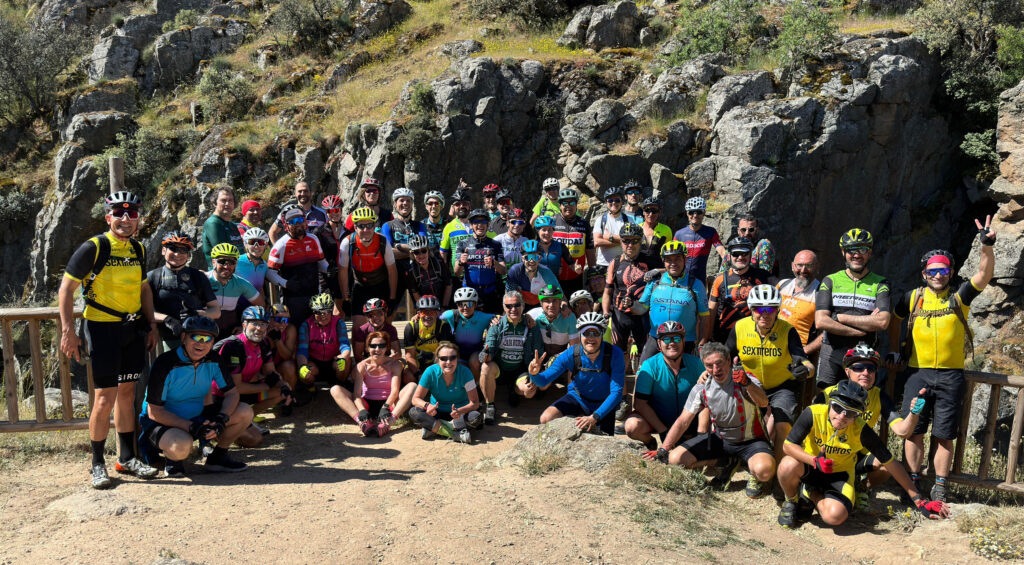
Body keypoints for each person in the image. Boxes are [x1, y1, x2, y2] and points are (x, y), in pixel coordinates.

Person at [887, 217, 996, 502]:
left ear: (951, 273)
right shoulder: (912, 298)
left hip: (950, 375)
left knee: (945, 434)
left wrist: (987, 245)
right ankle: (912, 483)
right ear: (924, 273)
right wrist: (895, 350)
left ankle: (940, 487)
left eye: (943, 270)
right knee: (914, 432)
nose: (938, 275)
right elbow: (894, 320)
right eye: (933, 271)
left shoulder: (960, 297)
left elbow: (983, 276)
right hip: (917, 373)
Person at [59, 191, 160, 488]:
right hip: (101, 328)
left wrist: (152, 325)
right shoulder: (94, 247)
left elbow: (144, 289)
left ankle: (127, 458)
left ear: (138, 219)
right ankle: (97, 464)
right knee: (104, 397)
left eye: (131, 214)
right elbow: (66, 289)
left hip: (133, 329)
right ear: (108, 217)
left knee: (127, 394)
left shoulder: (138, 249)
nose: (125, 219)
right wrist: (67, 331)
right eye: (118, 213)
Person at [777, 380, 950, 529]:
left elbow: (890, 462)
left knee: (835, 517)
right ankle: (791, 501)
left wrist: (919, 500)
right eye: (837, 408)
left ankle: (811, 493)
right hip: (812, 467)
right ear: (830, 403)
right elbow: (788, 446)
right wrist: (814, 461)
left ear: (857, 416)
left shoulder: (861, 429)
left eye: (850, 413)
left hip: (840, 475)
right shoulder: (813, 413)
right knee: (787, 464)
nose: (842, 416)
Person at [643, 341, 775, 498]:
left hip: (751, 440)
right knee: (675, 459)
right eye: (709, 365)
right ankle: (727, 462)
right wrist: (664, 448)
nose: (716, 369)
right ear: (704, 366)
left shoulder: (744, 378)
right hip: (721, 440)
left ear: (728, 360)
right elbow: (683, 420)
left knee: (764, 471)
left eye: (719, 363)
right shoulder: (701, 387)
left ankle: (753, 472)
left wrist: (747, 384)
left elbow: (763, 402)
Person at [138, 316, 253, 476]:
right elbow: (154, 412)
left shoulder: (214, 360)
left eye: (207, 339)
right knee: (181, 446)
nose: (201, 343)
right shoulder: (165, 363)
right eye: (196, 337)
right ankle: (173, 462)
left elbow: (232, 393)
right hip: (161, 421)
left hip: (196, 417)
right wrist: (190, 427)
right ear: (183, 337)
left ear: (213, 342)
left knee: (245, 411)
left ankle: (217, 458)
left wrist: (221, 418)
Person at [817, 344, 924, 502]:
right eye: (858, 368)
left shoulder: (879, 397)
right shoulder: (828, 394)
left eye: (871, 369)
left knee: (886, 465)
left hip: (856, 456)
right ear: (847, 371)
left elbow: (902, 431)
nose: (865, 373)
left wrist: (914, 413)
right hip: (829, 455)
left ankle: (861, 487)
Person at [725, 285, 814, 466]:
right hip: (750, 384)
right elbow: (724, 355)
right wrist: (708, 372)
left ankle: (779, 473)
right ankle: (742, 461)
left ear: (778, 310)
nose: (764, 314)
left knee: (783, 425)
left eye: (770, 309)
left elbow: (805, 362)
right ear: (751, 310)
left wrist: (806, 371)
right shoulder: (740, 327)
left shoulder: (787, 330)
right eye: (759, 309)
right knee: (739, 421)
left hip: (782, 386)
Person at [520, 312, 624, 435]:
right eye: (586, 333)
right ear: (580, 335)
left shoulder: (614, 354)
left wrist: (595, 417)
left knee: (604, 442)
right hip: (577, 399)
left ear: (602, 334)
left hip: (604, 403)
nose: (591, 338)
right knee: (546, 418)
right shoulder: (571, 354)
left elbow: (617, 392)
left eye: (595, 333)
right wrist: (534, 374)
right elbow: (543, 381)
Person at [814, 228, 891, 389]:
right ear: (843, 252)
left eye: (862, 250)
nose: (856, 255)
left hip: (864, 354)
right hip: (832, 351)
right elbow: (821, 321)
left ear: (869, 252)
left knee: (861, 398)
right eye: (851, 250)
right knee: (825, 397)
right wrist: (861, 329)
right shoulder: (830, 280)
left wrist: (840, 318)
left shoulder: (881, 283)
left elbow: (883, 322)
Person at [212, 306, 294, 444]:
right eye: (254, 323)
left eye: (263, 324)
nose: (259, 328)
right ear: (244, 324)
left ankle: (248, 420)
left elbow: (270, 372)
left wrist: (284, 386)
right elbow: (237, 387)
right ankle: (216, 432)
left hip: (240, 394)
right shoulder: (233, 346)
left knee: (281, 390)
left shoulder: (264, 343)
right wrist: (267, 385)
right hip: (221, 398)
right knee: (254, 440)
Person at [625, 321, 704, 449]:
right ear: (659, 344)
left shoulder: (696, 363)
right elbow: (640, 404)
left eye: (677, 338)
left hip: (688, 420)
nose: (672, 343)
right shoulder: (650, 365)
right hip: (659, 421)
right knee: (632, 426)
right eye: (666, 339)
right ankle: (650, 442)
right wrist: (663, 431)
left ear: (683, 341)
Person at [635, 241, 708, 360]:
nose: (673, 263)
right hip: (656, 338)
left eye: (677, 259)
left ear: (685, 260)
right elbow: (642, 308)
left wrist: (701, 343)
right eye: (669, 260)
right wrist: (630, 304)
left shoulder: (696, 284)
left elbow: (704, 317)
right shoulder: (654, 282)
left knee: (685, 372)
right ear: (663, 261)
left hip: (686, 340)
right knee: (643, 369)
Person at [148, 231, 220, 350]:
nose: (177, 254)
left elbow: (216, 311)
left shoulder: (198, 276)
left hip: (196, 337)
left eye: (183, 250)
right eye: (173, 248)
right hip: (165, 338)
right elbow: (144, 311)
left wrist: (197, 313)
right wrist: (166, 319)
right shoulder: (152, 277)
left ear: (188, 255)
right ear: (163, 250)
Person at [480, 291, 544, 421]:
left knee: (529, 392)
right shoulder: (496, 325)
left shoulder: (531, 325)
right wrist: (485, 355)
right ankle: (490, 406)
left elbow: (539, 351)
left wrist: (536, 364)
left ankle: (514, 390)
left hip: (520, 370)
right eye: (509, 306)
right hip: (500, 369)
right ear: (503, 307)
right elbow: (489, 349)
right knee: (486, 367)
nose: (513, 309)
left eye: (517, 305)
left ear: (523, 306)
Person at [330, 331, 408, 437]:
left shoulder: (395, 364)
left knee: (412, 386)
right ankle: (362, 422)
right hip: (367, 403)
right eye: (373, 346)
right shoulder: (362, 366)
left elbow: (395, 391)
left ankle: (388, 423)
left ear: (387, 348)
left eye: (381, 346)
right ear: (367, 348)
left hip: (388, 404)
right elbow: (357, 394)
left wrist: (385, 407)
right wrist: (362, 410)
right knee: (335, 389)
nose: (377, 349)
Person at [405, 341, 483, 443]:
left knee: (475, 417)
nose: (448, 362)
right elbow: (415, 399)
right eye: (444, 358)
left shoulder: (465, 372)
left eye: (452, 358)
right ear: (437, 359)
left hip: (459, 414)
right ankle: (454, 433)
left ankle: (434, 428)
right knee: (414, 411)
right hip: (436, 413)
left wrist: (460, 411)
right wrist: (427, 406)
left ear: (457, 358)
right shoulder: (430, 372)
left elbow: (475, 403)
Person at [267, 208, 328, 327]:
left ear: (306, 221)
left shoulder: (314, 239)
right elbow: (270, 273)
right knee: (296, 330)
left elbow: (321, 262)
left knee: (315, 329)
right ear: (286, 225)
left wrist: (329, 269)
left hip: (314, 294)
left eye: (300, 219)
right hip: (293, 298)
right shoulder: (281, 244)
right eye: (293, 221)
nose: (298, 224)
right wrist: (286, 283)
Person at [707, 236, 775, 343]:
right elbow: (711, 310)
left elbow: (782, 291)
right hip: (725, 337)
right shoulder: (720, 279)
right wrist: (707, 337)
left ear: (750, 255)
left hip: (754, 336)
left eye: (744, 253)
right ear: (729, 255)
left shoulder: (764, 276)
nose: (740, 257)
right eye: (736, 254)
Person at [338, 206, 398, 325]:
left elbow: (392, 271)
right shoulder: (348, 242)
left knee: (382, 326)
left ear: (374, 226)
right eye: (361, 226)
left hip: (381, 285)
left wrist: (392, 298)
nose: (366, 229)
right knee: (358, 328)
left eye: (369, 225)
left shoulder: (382, 241)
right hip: (360, 286)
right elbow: (342, 271)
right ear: (355, 227)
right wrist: (345, 299)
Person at [603, 223, 650, 366]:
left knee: (644, 359)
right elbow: (607, 291)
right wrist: (605, 312)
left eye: (634, 241)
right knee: (618, 358)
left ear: (641, 241)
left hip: (642, 317)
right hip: (619, 316)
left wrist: (657, 271)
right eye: (626, 241)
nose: (630, 245)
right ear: (621, 242)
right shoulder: (616, 262)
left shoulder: (650, 260)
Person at [296, 293, 353, 398]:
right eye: (318, 312)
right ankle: (310, 388)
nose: (323, 315)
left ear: (331, 311)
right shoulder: (306, 325)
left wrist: (343, 357)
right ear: (313, 312)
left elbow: (345, 345)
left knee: (347, 361)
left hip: (333, 361)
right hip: (315, 363)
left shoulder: (338, 322)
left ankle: (340, 385)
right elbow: (302, 350)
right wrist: (302, 366)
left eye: (327, 311)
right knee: (303, 368)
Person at [454, 208, 507, 314]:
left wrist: (494, 263)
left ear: (488, 224)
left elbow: (503, 271)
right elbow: (457, 272)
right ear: (471, 225)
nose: (480, 225)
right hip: (469, 294)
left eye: (483, 221)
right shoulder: (462, 244)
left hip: (490, 293)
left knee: (492, 322)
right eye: (476, 222)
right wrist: (461, 262)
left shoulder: (495, 244)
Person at [207, 243, 264, 338]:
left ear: (236, 264)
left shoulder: (241, 283)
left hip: (230, 331)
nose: (226, 266)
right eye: (222, 261)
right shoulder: (204, 279)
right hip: (205, 331)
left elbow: (261, 305)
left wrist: (244, 326)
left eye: (231, 262)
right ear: (213, 262)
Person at [440, 287, 496, 374]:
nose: (465, 307)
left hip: (476, 354)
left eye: (469, 303)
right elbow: (433, 318)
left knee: (474, 361)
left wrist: (497, 319)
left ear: (475, 304)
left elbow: (502, 317)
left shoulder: (482, 317)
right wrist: (418, 317)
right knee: (458, 367)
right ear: (457, 305)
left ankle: (475, 382)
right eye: (461, 304)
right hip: (459, 353)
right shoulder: (451, 315)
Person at [777, 250, 822, 357]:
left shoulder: (821, 292)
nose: (803, 270)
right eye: (799, 265)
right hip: (774, 349)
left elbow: (827, 333)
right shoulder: (782, 285)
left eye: (809, 266)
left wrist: (804, 351)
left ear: (817, 267)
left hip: (799, 354)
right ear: (793, 266)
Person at [673, 196, 726, 286]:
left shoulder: (710, 232)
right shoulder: (679, 234)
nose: (695, 215)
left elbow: (722, 251)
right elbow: (673, 257)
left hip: (700, 280)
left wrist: (726, 264)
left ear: (704, 213)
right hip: (680, 279)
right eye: (691, 212)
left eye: (699, 212)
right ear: (687, 213)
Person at [552, 187, 594, 295]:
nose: (568, 206)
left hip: (576, 276)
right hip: (554, 276)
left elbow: (589, 251)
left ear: (576, 205)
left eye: (572, 203)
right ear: (560, 205)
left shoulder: (584, 224)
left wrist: (592, 274)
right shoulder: (552, 221)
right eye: (565, 203)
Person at [403, 295, 455, 381]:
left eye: (431, 312)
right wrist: (418, 374)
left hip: (437, 361)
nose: (428, 316)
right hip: (417, 363)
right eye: (424, 312)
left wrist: (434, 368)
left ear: (437, 313)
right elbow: (409, 356)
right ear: (418, 313)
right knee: (407, 375)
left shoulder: (443, 326)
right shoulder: (411, 327)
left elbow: (444, 354)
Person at [527, 285, 579, 361]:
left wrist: (557, 359)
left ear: (560, 302)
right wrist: (526, 316)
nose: (551, 305)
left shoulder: (569, 317)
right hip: (539, 359)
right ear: (541, 303)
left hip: (562, 359)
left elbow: (574, 347)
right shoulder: (533, 315)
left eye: (555, 300)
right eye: (547, 301)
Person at [313, 195, 346, 313]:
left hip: (343, 275)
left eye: (336, 210)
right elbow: (315, 256)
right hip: (325, 277)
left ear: (341, 210)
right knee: (325, 310)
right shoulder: (319, 232)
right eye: (329, 211)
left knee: (340, 311)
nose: (334, 213)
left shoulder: (347, 232)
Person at [505, 240, 561, 307]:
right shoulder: (515, 271)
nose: (531, 261)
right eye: (528, 257)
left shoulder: (546, 272)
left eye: (535, 257)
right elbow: (509, 296)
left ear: (539, 258)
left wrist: (564, 305)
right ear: (522, 259)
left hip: (540, 304)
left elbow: (559, 294)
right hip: (521, 304)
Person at [201, 186, 244, 269]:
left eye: (230, 200)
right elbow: (224, 253)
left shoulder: (232, 226)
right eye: (223, 200)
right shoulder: (213, 223)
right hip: (221, 272)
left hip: (238, 271)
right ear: (215, 203)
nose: (227, 204)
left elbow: (241, 250)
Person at [265, 303, 300, 395]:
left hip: (280, 368)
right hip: (263, 370)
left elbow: (287, 357)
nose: (283, 324)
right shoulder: (261, 329)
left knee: (289, 367)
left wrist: (278, 340)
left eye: (286, 320)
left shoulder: (290, 329)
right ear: (269, 319)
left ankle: (289, 396)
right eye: (278, 319)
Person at [440, 188, 475, 269]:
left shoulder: (478, 224)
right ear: (453, 207)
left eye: (464, 203)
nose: (461, 206)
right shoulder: (449, 227)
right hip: (457, 273)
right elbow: (443, 253)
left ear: (469, 206)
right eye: (458, 204)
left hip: (477, 272)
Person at [592, 186, 627, 269]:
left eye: (617, 200)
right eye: (610, 200)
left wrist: (609, 237)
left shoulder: (628, 220)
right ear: (606, 203)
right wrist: (621, 242)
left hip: (622, 264)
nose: (614, 203)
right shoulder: (601, 220)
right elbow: (597, 242)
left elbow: (631, 240)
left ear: (622, 202)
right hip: (603, 264)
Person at [637, 197, 673, 269]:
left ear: (659, 212)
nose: (651, 214)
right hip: (638, 270)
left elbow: (669, 254)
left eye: (654, 211)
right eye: (647, 210)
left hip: (658, 270)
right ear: (643, 212)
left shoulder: (666, 230)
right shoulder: (637, 228)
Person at [236, 227, 270, 295]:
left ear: (266, 246)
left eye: (261, 242)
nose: (256, 246)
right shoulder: (236, 262)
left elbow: (259, 288)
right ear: (245, 244)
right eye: (252, 242)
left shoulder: (264, 265)